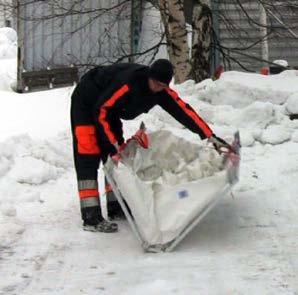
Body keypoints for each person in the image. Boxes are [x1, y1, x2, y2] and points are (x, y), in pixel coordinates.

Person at [70, 59, 229, 233]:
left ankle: (116, 206)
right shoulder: (127, 83)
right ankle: (91, 216)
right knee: (89, 152)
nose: (156, 88)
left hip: (110, 111)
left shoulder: (162, 92)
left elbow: (184, 111)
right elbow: (101, 111)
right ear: (149, 77)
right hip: (87, 102)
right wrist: (111, 145)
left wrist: (210, 136)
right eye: (154, 83)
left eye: (162, 85)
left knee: (117, 157)